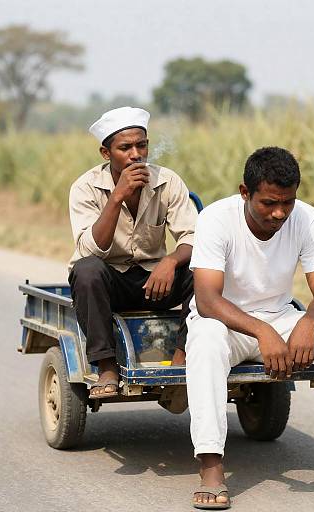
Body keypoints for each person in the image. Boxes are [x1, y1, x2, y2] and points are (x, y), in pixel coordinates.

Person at [186, 146, 314, 509]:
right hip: (226, 323)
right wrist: (262, 332)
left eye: (288, 202)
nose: (280, 213)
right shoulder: (216, 219)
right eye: (268, 203)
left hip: (282, 317)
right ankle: (211, 465)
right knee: (203, 337)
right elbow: (207, 300)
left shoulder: (307, 218)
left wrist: (309, 322)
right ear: (244, 192)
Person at [68, 106, 197, 399]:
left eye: (142, 145)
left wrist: (170, 260)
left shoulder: (168, 181)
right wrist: (117, 198)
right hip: (110, 283)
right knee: (87, 269)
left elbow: (194, 236)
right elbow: (90, 249)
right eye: (125, 148)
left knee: (202, 270)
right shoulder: (85, 188)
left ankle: (181, 360)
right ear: (106, 153)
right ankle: (107, 367)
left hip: (155, 281)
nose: (136, 154)